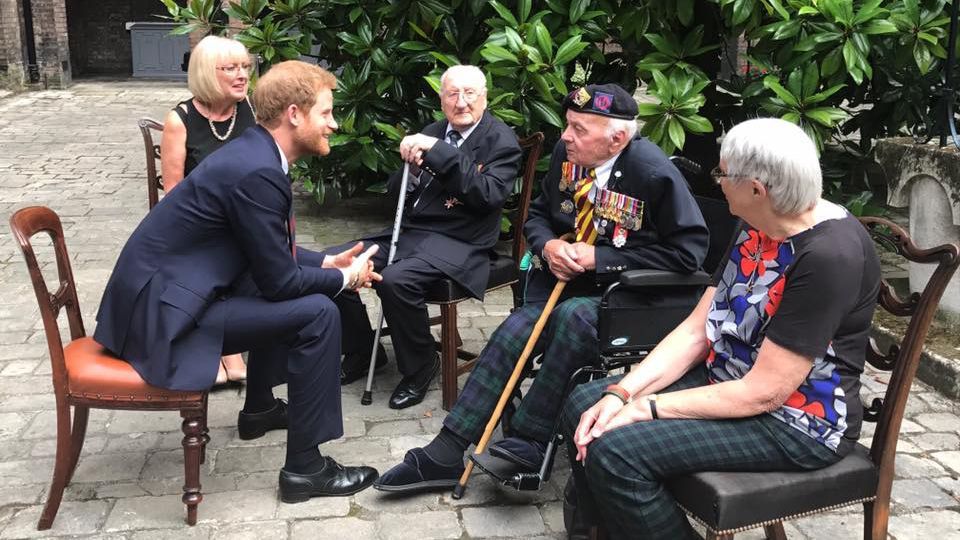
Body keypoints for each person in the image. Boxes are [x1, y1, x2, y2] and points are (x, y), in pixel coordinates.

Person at [373, 83, 709, 493]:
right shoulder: (569, 158)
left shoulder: (653, 173)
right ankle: (447, 449)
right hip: (568, 284)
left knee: (571, 318)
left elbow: (688, 254)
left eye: (580, 129)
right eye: (568, 125)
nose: (566, 136)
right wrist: (548, 245)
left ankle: (530, 440)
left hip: (630, 296)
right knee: (516, 329)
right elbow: (535, 217)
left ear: (617, 138)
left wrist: (600, 259)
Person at [561, 118, 882, 539]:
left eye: (722, 173)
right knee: (586, 401)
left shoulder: (827, 256)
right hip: (731, 378)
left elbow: (765, 392)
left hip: (798, 422)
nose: (717, 182)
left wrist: (645, 407)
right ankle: (598, 530)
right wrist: (623, 392)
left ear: (756, 188)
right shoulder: (760, 223)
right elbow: (698, 329)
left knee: (618, 452)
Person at [95, 60, 381, 502]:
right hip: (163, 316)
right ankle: (306, 470)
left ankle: (260, 408)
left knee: (286, 293)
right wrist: (345, 278)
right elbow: (280, 282)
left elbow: (261, 253)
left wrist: (324, 262)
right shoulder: (259, 170)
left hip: (168, 294)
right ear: (294, 114)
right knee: (318, 313)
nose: (334, 123)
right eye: (326, 113)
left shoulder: (255, 152)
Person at [332, 64, 522, 409]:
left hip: (462, 242)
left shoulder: (500, 140)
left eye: (470, 94)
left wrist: (439, 151)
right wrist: (414, 173)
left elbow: (488, 196)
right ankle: (360, 348)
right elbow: (395, 195)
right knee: (334, 264)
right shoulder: (433, 129)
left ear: (484, 98)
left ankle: (421, 366)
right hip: (413, 234)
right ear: (441, 98)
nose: (461, 102)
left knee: (395, 280)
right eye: (453, 94)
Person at [159, 34, 258, 385]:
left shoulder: (250, 109)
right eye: (230, 68)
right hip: (195, 223)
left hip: (244, 218)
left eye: (245, 66)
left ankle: (231, 344)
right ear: (204, 72)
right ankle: (220, 349)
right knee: (216, 257)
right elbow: (171, 193)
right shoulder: (179, 119)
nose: (242, 75)